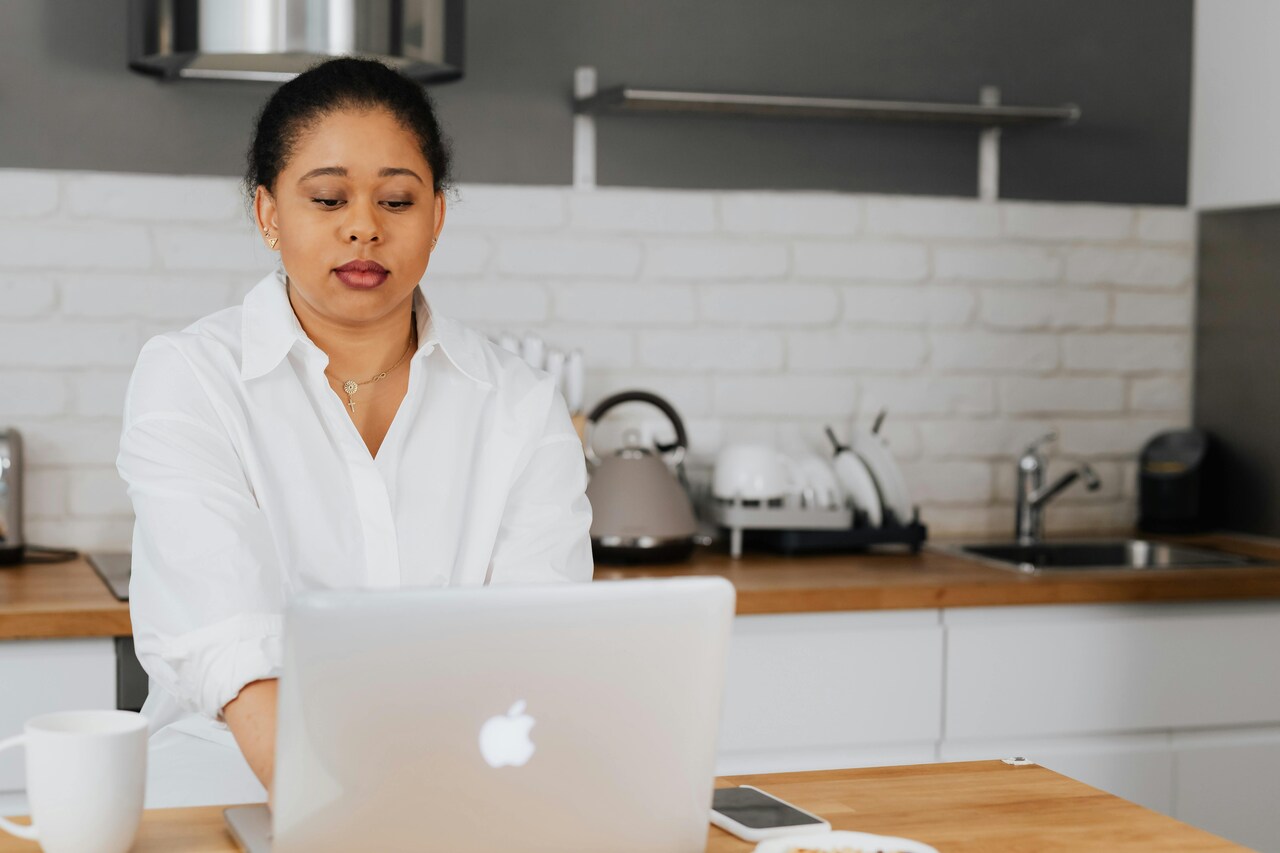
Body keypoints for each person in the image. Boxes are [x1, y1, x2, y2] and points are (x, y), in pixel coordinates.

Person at [116, 57, 593, 807]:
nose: (364, 226)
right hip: (216, 792)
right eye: (329, 197)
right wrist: (356, 818)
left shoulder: (521, 407)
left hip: (456, 796)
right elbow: (231, 651)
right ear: (268, 213)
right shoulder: (190, 377)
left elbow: (536, 655)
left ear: (437, 216)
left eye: (397, 200)